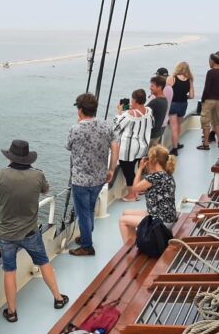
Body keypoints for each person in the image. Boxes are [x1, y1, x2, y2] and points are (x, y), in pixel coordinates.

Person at [0, 140, 69, 322]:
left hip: (7, 234)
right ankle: (57, 298)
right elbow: (46, 190)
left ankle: (11, 312)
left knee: (9, 271)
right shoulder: (37, 175)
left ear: (10, 157)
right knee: (44, 263)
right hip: (30, 232)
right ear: (28, 158)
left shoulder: (1, 175)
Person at [66, 93, 119, 256]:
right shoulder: (106, 126)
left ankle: (87, 246)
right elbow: (115, 148)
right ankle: (85, 237)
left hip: (81, 180)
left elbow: (68, 146)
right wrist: (111, 169)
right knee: (89, 209)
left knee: (83, 213)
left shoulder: (75, 129)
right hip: (99, 177)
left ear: (80, 110)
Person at [118, 145, 178, 242]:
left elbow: (135, 188)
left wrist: (140, 168)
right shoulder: (166, 174)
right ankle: (135, 243)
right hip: (166, 216)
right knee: (126, 213)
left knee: (123, 220)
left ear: (154, 161)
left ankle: (129, 251)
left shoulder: (155, 177)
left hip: (160, 222)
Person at [112, 89, 153, 201]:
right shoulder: (149, 111)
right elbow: (152, 123)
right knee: (136, 170)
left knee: (128, 172)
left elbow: (116, 127)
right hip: (142, 146)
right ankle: (137, 191)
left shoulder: (129, 114)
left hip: (129, 148)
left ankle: (132, 195)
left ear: (134, 100)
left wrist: (119, 113)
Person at [198, 53, 219, 150]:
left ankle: (206, 144)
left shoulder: (210, 73)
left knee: (206, 122)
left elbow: (207, 88)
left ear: (212, 61)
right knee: (216, 122)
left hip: (209, 100)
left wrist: (203, 100)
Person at [166, 62, 195, 155]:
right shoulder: (189, 80)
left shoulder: (172, 78)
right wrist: (185, 96)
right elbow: (191, 96)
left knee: (173, 127)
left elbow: (167, 93)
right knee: (178, 125)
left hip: (173, 104)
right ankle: (177, 143)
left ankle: (174, 149)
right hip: (183, 104)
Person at [147, 75, 169, 147]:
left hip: (151, 136)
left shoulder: (155, 102)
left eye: (152, 86)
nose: (150, 88)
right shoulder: (164, 100)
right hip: (157, 134)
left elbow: (142, 114)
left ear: (159, 87)